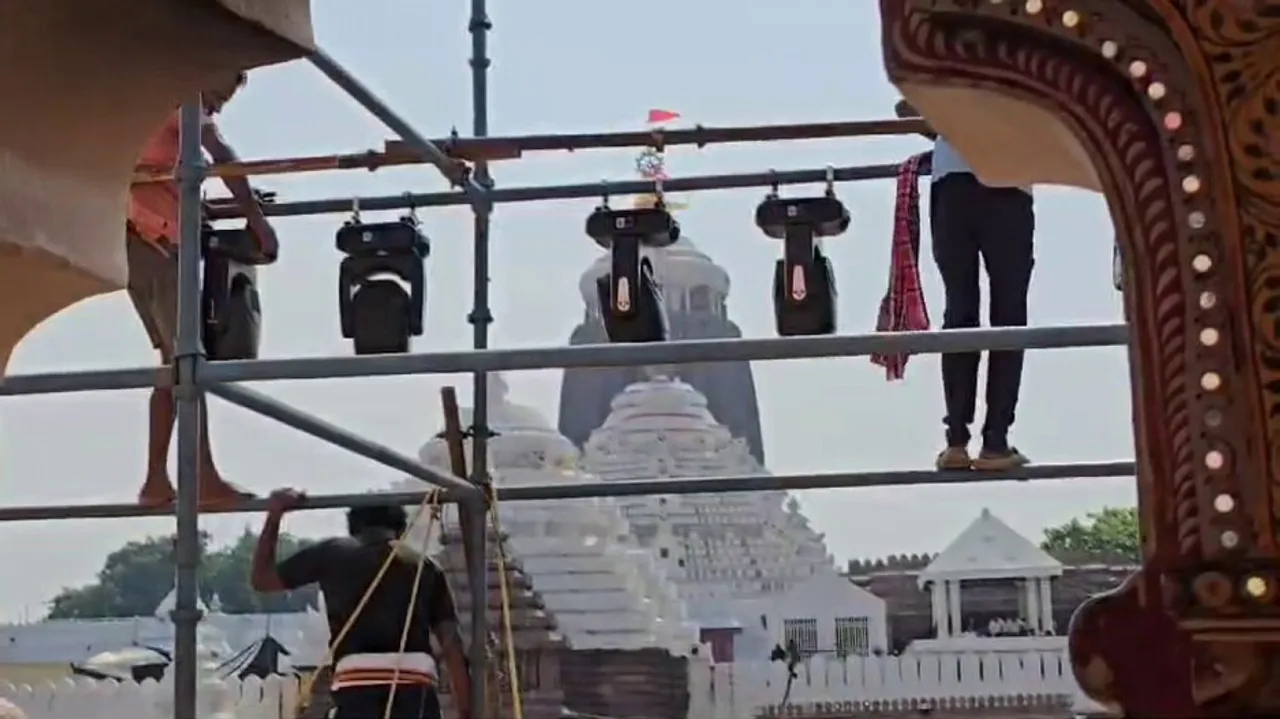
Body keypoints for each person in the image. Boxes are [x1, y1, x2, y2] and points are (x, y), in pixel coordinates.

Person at [130, 71, 279, 508]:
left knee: (175, 363)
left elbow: (166, 178)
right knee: (188, 359)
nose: (215, 107)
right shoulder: (180, 96)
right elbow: (224, 157)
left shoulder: (149, 107)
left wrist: (214, 207)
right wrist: (257, 222)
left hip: (143, 237)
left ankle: (160, 479)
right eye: (217, 94)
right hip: (156, 243)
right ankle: (200, 478)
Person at [895, 100, 1033, 472]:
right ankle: (996, 442)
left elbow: (905, 106)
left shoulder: (952, 56)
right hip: (1008, 178)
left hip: (953, 181)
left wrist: (951, 121)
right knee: (1009, 315)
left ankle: (956, 440)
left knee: (960, 310)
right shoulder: (1026, 57)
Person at [251, 489, 472, 719]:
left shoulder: (331, 554)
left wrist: (275, 515)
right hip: (415, 688)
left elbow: (262, 579)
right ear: (401, 530)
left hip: (355, 687)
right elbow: (451, 646)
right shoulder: (425, 566)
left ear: (353, 527)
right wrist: (466, 711)